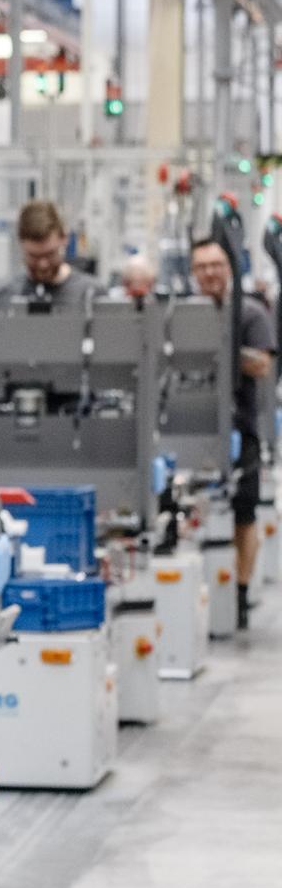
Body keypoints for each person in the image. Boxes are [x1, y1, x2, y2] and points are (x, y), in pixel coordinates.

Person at [190, 234, 277, 625]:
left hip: (243, 427)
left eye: (216, 265)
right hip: (193, 426)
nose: (209, 273)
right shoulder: (186, 312)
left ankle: (239, 594)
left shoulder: (251, 313)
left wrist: (220, 350)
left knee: (244, 514)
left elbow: (261, 363)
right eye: (202, 267)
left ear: (230, 268)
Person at [0, 199, 88, 312]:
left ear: (65, 239)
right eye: (34, 256)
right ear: (21, 244)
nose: (43, 265)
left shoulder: (89, 294)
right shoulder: (2, 295)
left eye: (50, 254)